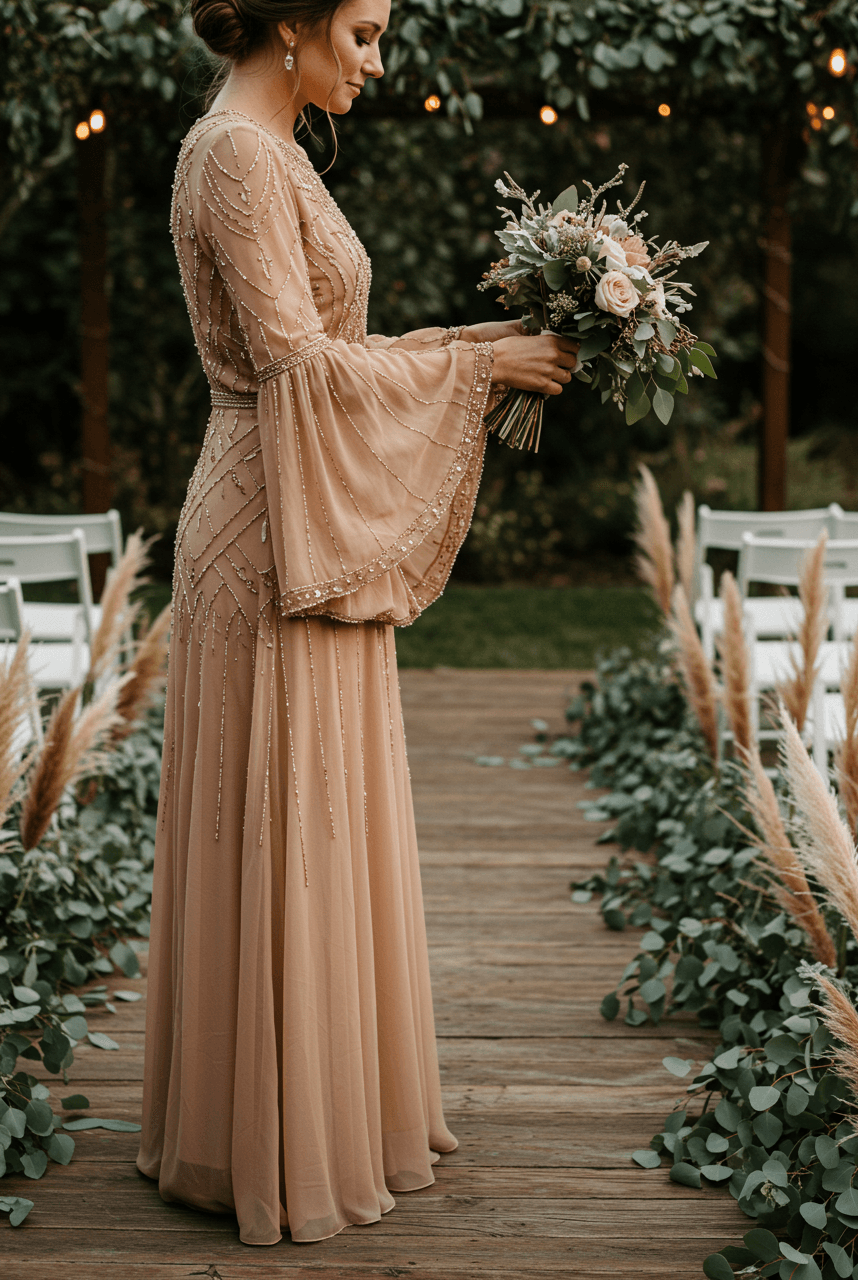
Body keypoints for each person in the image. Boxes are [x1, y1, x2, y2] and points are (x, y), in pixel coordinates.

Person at [137, 0, 578, 1247]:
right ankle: (269, 1137)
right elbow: (291, 362)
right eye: (367, 31)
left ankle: (308, 1107)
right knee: (285, 808)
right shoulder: (231, 151)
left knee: (309, 808)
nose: (378, 60)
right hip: (268, 522)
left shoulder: (260, 148)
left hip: (294, 498)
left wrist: (473, 339)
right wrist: (477, 372)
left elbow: (339, 347)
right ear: (291, 22)